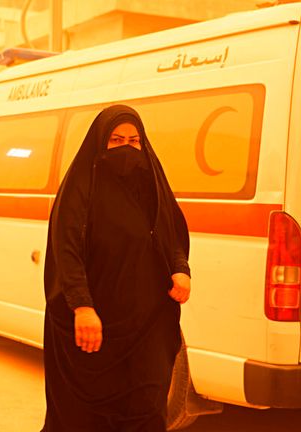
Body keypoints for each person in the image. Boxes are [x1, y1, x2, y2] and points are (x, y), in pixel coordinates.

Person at [42, 104, 191, 431]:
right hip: (95, 327)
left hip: (148, 323)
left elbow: (171, 232)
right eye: (116, 140)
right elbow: (66, 252)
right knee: (85, 419)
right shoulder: (81, 189)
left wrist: (181, 269)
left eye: (134, 141)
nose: (127, 148)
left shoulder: (151, 184)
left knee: (149, 409)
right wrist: (82, 307)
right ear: (100, 145)